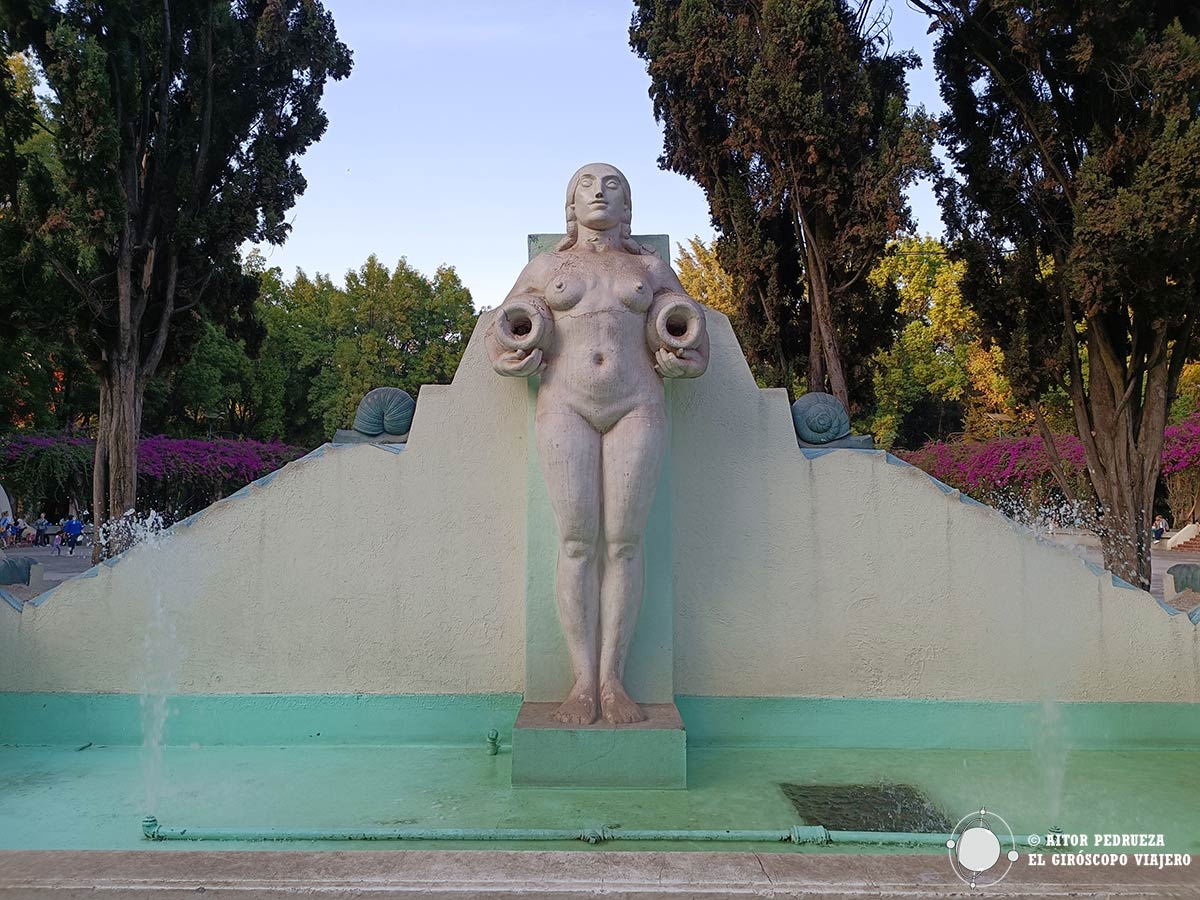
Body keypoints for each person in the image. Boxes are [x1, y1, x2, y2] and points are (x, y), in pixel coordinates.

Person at [485, 163, 708, 726]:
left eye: (613, 185)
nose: (600, 192)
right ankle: (581, 681)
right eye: (587, 184)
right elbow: (499, 335)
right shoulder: (547, 266)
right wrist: (514, 353)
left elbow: (696, 344)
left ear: (628, 207)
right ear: (570, 205)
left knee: (624, 542)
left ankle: (613, 681)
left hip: (637, 404)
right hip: (566, 404)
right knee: (579, 542)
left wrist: (681, 358)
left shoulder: (651, 268)